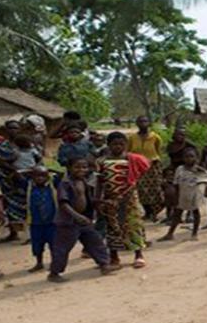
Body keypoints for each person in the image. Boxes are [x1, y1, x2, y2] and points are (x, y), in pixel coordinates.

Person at [48, 157, 119, 282]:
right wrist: (77, 216)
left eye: (84, 167)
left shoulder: (84, 182)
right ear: (69, 168)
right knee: (62, 248)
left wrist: (102, 202)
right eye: (77, 167)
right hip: (68, 222)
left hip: (84, 220)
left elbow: (89, 199)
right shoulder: (65, 184)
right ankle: (54, 273)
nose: (81, 170)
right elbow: (63, 204)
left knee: (95, 242)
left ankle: (104, 264)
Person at [96, 131, 150, 268]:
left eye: (121, 144)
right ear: (108, 145)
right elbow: (99, 182)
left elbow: (135, 180)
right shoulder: (102, 162)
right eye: (114, 144)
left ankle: (138, 254)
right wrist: (98, 200)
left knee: (133, 225)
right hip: (110, 199)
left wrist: (123, 195)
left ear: (126, 145)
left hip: (129, 198)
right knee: (112, 227)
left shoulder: (132, 159)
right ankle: (114, 256)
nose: (118, 147)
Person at [159, 146, 207, 241]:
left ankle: (194, 233)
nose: (189, 159)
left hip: (194, 195)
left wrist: (203, 186)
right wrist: (176, 196)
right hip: (183, 195)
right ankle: (170, 234)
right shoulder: (180, 169)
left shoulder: (198, 170)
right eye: (186, 156)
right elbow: (176, 183)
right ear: (183, 158)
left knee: (195, 213)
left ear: (196, 158)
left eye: (191, 156)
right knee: (177, 214)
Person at [127, 115, 164, 221]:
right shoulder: (132, 138)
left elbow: (158, 151)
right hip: (138, 168)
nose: (143, 123)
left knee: (156, 190)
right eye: (140, 121)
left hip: (153, 167)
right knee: (141, 190)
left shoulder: (155, 137)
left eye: (145, 121)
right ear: (137, 123)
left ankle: (155, 212)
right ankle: (147, 212)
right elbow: (129, 152)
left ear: (149, 123)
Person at [25, 165, 58, 273]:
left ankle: (54, 262)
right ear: (32, 177)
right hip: (35, 222)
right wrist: (28, 171)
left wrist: (51, 170)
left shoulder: (52, 185)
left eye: (43, 175)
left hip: (52, 222)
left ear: (48, 176)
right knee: (37, 245)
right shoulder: (29, 186)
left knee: (53, 244)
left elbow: (62, 174)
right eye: (37, 176)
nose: (40, 178)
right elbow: (16, 174)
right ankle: (39, 263)